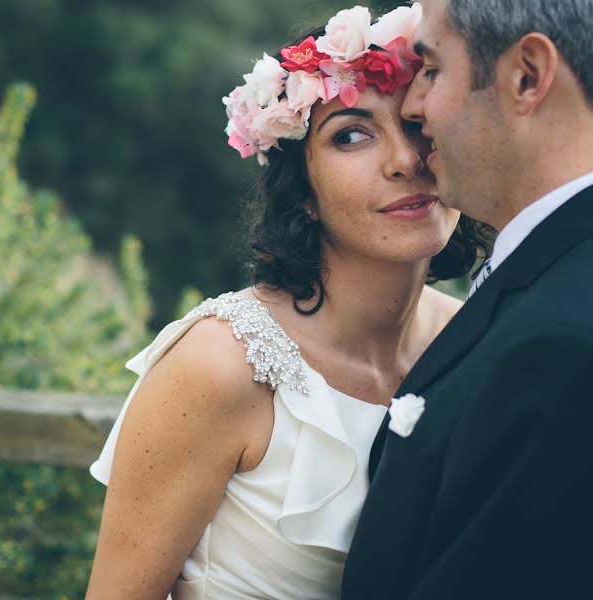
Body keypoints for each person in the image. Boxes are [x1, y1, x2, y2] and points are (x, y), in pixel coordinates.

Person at [85, 4, 491, 599]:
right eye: (351, 135)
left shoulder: (475, 340)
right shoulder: (220, 367)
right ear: (304, 194)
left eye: (417, 125)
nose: (405, 160)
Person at [341, 1, 593, 598]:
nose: (412, 105)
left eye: (430, 70)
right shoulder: (541, 278)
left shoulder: (565, 345)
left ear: (526, 77)